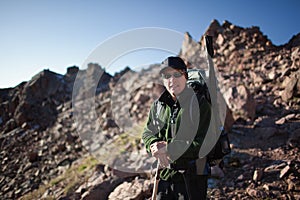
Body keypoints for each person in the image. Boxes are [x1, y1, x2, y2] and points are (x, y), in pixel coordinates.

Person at [142, 56, 212, 200]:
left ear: (185, 76)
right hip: (165, 176)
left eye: (177, 74)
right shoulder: (158, 105)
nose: (172, 80)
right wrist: (153, 144)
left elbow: (205, 143)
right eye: (167, 76)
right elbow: (148, 132)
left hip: (192, 179)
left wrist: (170, 148)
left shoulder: (199, 104)